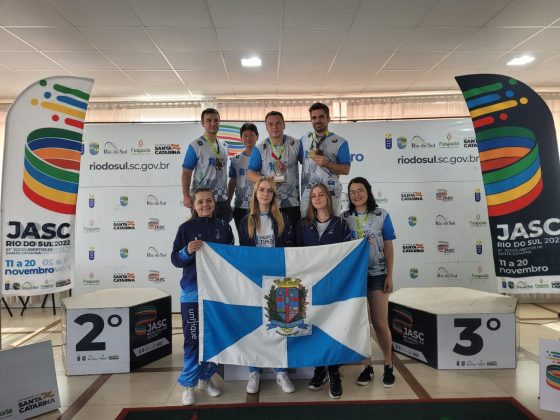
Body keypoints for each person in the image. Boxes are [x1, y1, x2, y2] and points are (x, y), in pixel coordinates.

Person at [171, 188, 234, 406]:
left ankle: (205, 379)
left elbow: (231, 258)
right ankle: (188, 384)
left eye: (209, 201)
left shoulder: (224, 227)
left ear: (214, 203)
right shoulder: (185, 228)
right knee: (193, 340)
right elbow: (175, 259)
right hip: (192, 293)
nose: (205, 205)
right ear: (193, 205)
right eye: (200, 202)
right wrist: (186, 251)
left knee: (215, 338)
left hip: (217, 294)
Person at [238, 177, 295, 394]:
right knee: (255, 326)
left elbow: (289, 251)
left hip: (278, 280)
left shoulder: (283, 219)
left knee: (280, 325)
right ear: (255, 193)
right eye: (261, 190)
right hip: (255, 281)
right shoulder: (246, 221)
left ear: (273, 195)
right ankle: (254, 371)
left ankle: (281, 371)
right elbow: (244, 254)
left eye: (269, 191)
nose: (265, 194)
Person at [296, 183, 351, 399]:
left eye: (321, 194)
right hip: (309, 286)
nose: (317, 198)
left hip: (334, 286)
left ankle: (334, 372)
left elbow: (349, 253)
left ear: (328, 197)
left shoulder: (341, 224)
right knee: (314, 326)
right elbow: (295, 254)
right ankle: (320, 368)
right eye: (313, 196)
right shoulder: (303, 224)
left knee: (332, 328)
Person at [342, 177, 396, 388]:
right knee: (363, 324)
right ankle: (368, 366)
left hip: (378, 274)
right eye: (352, 192)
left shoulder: (381, 215)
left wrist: (389, 275)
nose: (356, 195)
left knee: (380, 323)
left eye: (360, 190)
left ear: (368, 191)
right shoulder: (345, 217)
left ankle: (389, 365)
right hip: (355, 277)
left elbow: (389, 246)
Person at [247, 111, 303, 232]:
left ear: (284, 124)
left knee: (292, 238)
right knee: (272, 236)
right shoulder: (260, 148)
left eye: (278, 123)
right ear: (266, 127)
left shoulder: (296, 144)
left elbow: (308, 164)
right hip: (269, 202)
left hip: (292, 202)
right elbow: (250, 174)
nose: (275, 127)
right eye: (270, 124)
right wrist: (265, 180)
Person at [300, 102, 351, 216]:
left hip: (330, 193)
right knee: (306, 224)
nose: (317, 120)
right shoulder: (304, 139)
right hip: (309, 193)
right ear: (311, 120)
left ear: (328, 118)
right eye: (314, 117)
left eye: (321, 117)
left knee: (331, 224)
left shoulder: (340, 142)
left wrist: (327, 163)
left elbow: (346, 169)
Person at [182, 108, 231, 221]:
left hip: (221, 199)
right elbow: (186, 172)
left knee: (222, 231)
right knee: (201, 230)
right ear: (202, 123)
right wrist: (186, 195)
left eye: (216, 120)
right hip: (202, 200)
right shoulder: (195, 146)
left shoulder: (224, 145)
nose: (213, 123)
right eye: (209, 120)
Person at [227, 122, 258, 233]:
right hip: (241, 206)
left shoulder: (263, 157)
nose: (248, 138)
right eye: (245, 135)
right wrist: (228, 201)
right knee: (243, 238)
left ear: (257, 137)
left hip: (260, 206)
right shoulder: (235, 159)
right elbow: (232, 181)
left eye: (251, 135)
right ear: (241, 138)